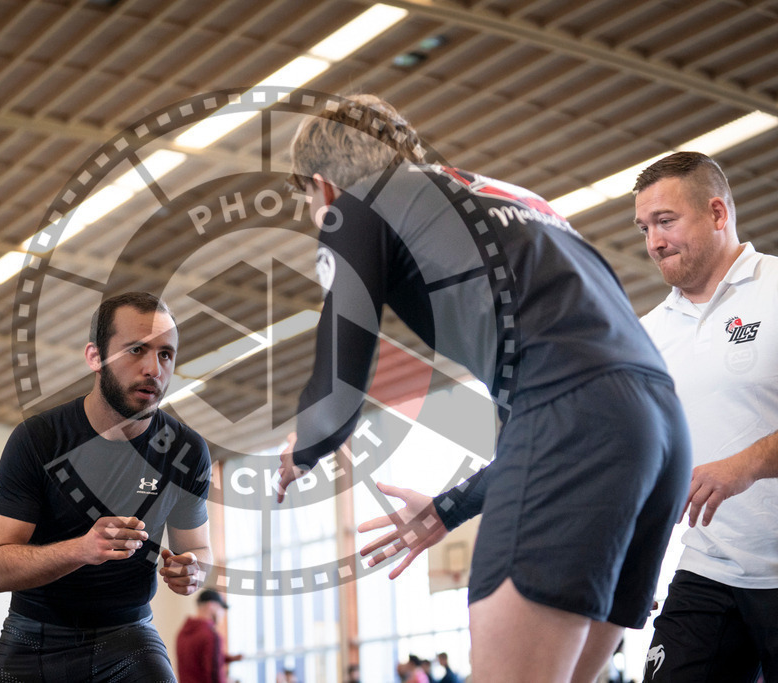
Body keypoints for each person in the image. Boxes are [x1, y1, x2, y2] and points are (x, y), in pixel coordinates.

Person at [275, 94, 692, 682]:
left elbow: (339, 382)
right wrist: (451, 508)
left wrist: (304, 443)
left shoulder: (359, 205)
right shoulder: (520, 202)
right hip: (663, 436)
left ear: (322, 188)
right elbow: (589, 400)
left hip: (575, 421)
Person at [0, 292, 213, 682]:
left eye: (165, 355)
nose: (153, 369)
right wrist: (83, 550)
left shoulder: (187, 452)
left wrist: (193, 571)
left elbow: (198, 549)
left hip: (127, 635)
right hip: (34, 637)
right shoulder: (38, 440)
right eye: (136, 350)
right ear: (95, 357)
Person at [634, 151, 778, 682]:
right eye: (645, 227)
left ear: (718, 214)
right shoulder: (647, 335)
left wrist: (746, 464)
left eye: (666, 221)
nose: (654, 241)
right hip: (708, 569)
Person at [175, 588, 241, 683]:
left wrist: (230, 658)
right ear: (211, 605)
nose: (223, 614)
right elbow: (214, 676)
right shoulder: (211, 636)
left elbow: (199, 659)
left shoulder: (183, 632)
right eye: (221, 609)